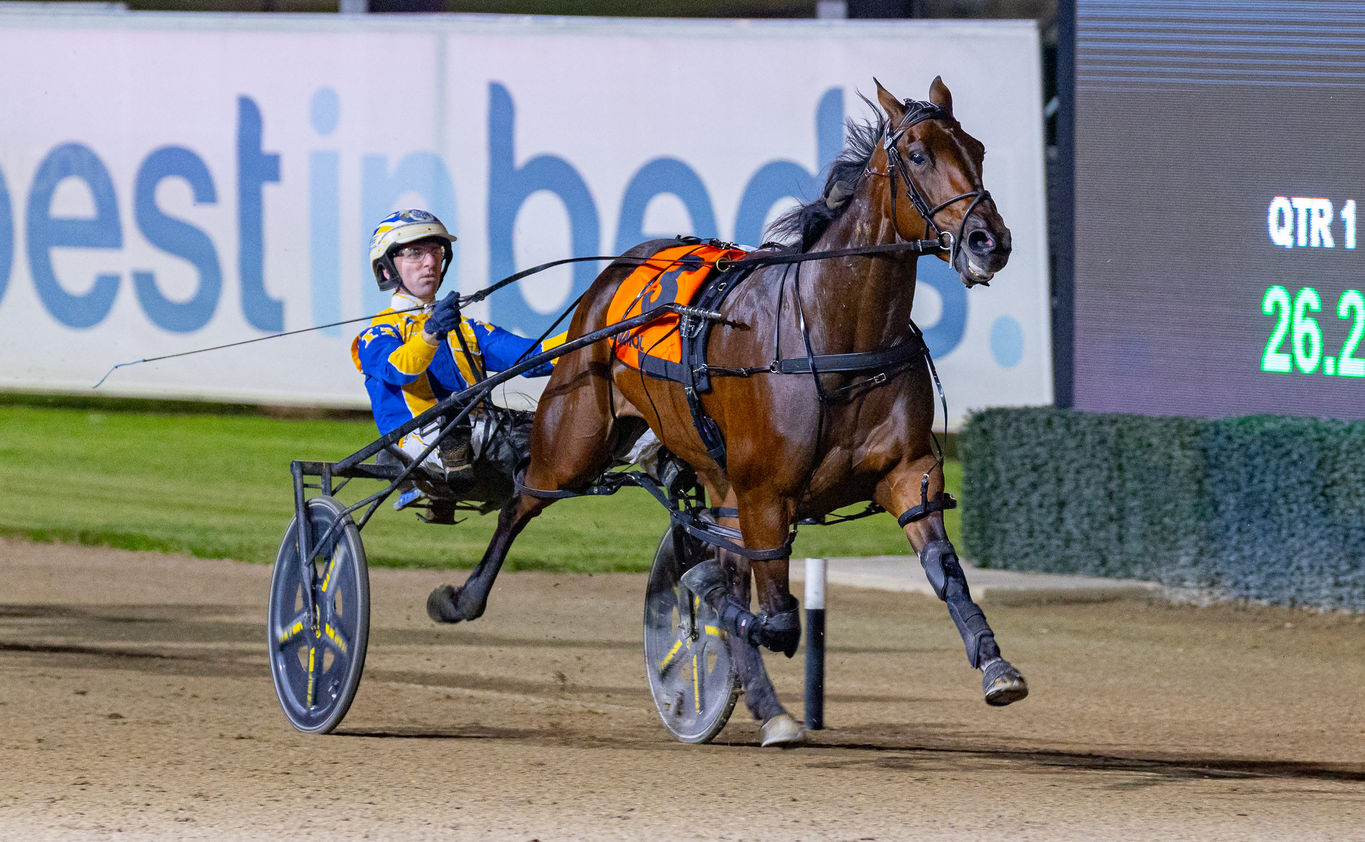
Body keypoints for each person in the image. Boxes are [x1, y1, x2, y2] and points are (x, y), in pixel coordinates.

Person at [352, 209, 559, 484]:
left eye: (435, 252)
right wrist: (432, 333)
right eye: (415, 253)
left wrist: (599, 336)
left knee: (563, 426)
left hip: (482, 431)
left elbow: (534, 357)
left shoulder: (469, 330)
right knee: (464, 431)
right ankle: (457, 452)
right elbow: (400, 369)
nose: (430, 263)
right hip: (415, 443)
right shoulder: (377, 334)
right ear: (387, 269)